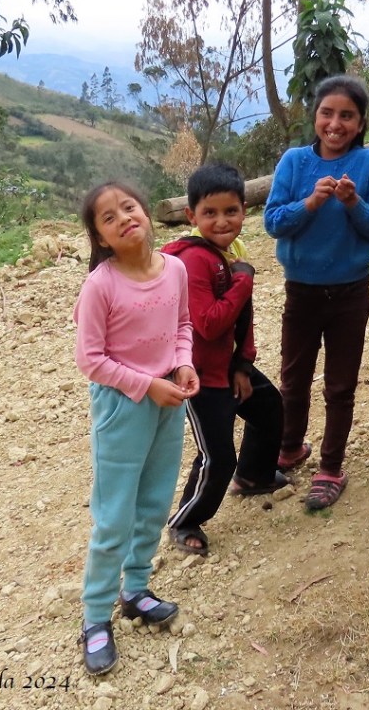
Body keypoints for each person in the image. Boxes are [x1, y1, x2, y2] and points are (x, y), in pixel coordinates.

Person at [73, 182, 200, 675]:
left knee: (153, 503)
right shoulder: (101, 285)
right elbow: (91, 360)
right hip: (123, 406)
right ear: (101, 239)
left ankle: (136, 589)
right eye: (108, 217)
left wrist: (183, 363)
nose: (123, 217)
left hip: (168, 397)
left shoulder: (176, 268)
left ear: (147, 214)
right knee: (114, 516)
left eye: (129, 207)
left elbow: (183, 325)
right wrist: (147, 385)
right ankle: (94, 617)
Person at [264, 74, 369, 510]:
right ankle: (290, 446)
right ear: (314, 116)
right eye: (327, 113)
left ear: (360, 123)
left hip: (350, 294)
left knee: (339, 385)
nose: (335, 123)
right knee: (293, 379)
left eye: (347, 116)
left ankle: (331, 466)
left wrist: (354, 203)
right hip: (300, 292)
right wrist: (311, 204)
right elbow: (273, 221)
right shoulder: (295, 162)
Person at [161, 163, 287, 556]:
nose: (221, 220)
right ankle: (184, 520)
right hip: (197, 376)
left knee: (269, 408)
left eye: (230, 211)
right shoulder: (194, 261)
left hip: (227, 367)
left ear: (244, 210)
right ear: (191, 216)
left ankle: (253, 476)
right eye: (210, 213)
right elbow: (210, 323)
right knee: (217, 457)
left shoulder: (231, 252)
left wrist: (243, 365)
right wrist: (244, 279)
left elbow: (241, 315)